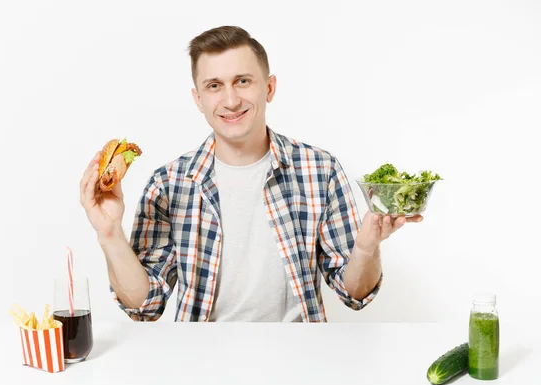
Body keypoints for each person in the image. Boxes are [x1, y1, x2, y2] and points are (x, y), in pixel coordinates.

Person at [79, 26, 423, 323]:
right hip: (199, 362)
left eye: (242, 81)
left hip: (298, 359)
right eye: (214, 86)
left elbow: (355, 293)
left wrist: (365, 248)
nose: (230, 100)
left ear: (269, 87)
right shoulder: (168, 183)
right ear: (198, 99)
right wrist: (109, 233)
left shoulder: (320, 170)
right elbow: (144, 305)